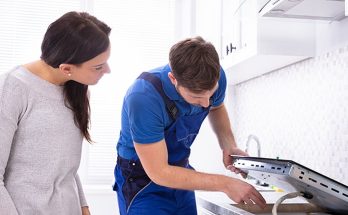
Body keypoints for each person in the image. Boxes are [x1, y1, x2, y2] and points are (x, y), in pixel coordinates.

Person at [114, 36, 266, 215]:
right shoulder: (143, 97)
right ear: (173, 79)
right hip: (143, 181)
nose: (205, 103)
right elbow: (159, 172)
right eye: (196, 97)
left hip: (180, 172)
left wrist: (229, 146)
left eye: (211, 94)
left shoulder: (215, 77)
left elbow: (216, 108)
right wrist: (226, 184)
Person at [0, 11, 111, 215]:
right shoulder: (12, 89)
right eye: (98, 67)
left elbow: (63, 167)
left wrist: (84, 208)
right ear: (66, 68)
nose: (107, 70)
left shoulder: (73, 88)